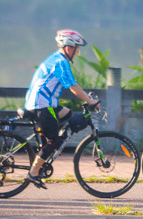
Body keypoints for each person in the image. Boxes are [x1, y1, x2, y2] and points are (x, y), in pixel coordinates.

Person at [24, 29, 99, 189]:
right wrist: (90, 101)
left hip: (43, 103)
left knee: (68, 114)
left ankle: (46, 147)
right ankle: (34, 171)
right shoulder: (61, 62)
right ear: (68, 48)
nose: (78, 52)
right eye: (76, 48)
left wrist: (87, 98)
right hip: (42, 105)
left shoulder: (55, 58)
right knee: (55, 141)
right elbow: (73, 87)